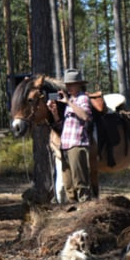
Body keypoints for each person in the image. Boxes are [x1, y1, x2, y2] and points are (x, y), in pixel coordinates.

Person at [48, 69, 93, 202]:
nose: (68, 87)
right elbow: (63, 127)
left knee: (81, 183)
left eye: (72, 84)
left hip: (77, 145)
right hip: (66, 146)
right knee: (68, 185)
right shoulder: (71, 101)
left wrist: (68, 102)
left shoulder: (82, 98)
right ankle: (73, 211)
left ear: (79, 84)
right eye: (67, 84)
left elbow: (85, 116)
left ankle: (85, 210)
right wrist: (55, 113)